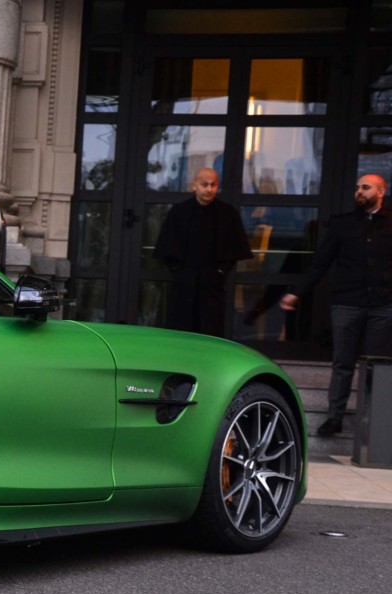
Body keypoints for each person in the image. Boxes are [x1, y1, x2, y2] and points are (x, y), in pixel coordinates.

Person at [280, 173, 392, 437]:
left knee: (377, 366)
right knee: (342, 363)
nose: (359, 192)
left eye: (365, 188)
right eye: (357, 188)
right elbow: (321, 262)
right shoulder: (343, 225)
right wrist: (297, 293)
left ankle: (373, 424)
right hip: (347, 303)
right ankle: (334, 418)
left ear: (381, 191)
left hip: (383, 305)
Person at [153, 167, 253, 335]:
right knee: (181, 328)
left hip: (213, 284)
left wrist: (220, 272)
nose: (209, 189)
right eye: (204, 184)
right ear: (194, 186)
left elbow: (234, 249)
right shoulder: (179, 212)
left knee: (210, 329)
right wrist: (179, 271)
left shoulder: (227, 214)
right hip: (184, 283)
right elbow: (167, 247)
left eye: (213, 185)